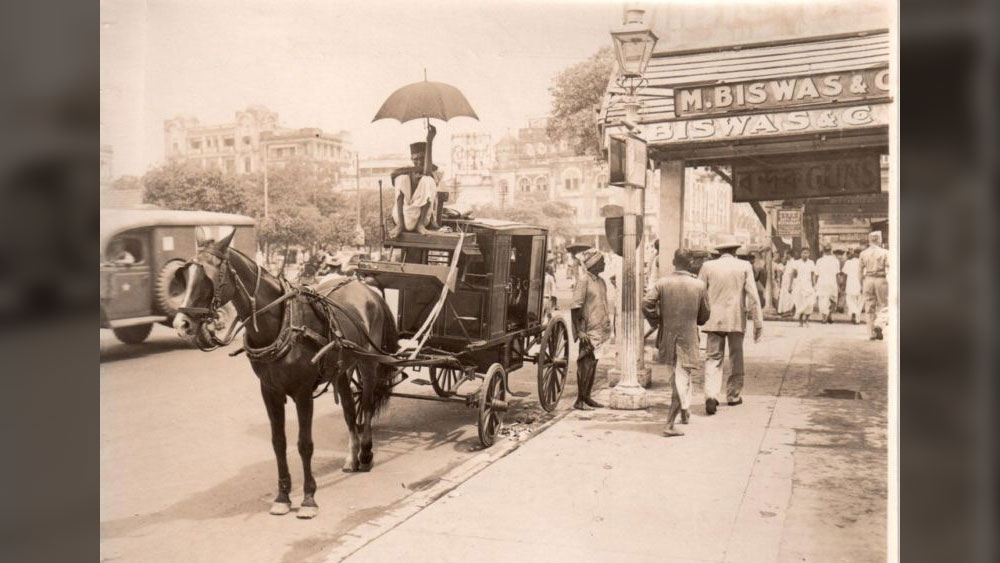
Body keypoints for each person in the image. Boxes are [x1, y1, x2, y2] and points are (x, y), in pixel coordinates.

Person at [643, 249, 710, 436]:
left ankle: (684, 410)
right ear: (690, 263)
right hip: (687, 339)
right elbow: (705, 315)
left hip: (667, 337)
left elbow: (646, 304)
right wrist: (691, 319)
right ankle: (669, 425)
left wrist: (657, 320)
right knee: (681, 380)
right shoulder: (699, 285)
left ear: (673, 261)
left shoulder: (662, 283)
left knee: (676, 378)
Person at [698, 236, 763, 414]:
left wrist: (699, 318)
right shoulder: (744, 266)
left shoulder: (708, 266)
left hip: (713, 320)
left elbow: (700, 293)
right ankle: (733, 395)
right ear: (735, 250)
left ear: (718, 251)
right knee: (736, 356)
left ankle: (711, 396)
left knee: (713, 358)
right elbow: (753, 296)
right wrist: (758, 322)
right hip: (736, 319)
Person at [570, 248, 611, 410]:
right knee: (585, 364)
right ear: (594, 264)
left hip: (601, 329)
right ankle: (579, 400)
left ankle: (587, 397)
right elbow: (575, 307)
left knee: (593, 364)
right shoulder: (584, 280)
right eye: (602, 262)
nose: (605, 264)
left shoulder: (601, 282)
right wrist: (580, 330)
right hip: (588, 330)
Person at [389, 125, 442, 237]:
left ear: (427, 158)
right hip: (403, 217)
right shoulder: (406, 171)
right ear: (411, 159)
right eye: (415, 159)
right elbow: (393, 174)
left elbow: (427, 172)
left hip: (420, 217)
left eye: (422, 158)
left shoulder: (435, 171)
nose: (419, 162)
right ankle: (400, 225)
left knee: (428, 180)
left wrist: (429, 141)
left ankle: (420, 225)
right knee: (401, 178)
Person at [859, 231, 890, 339]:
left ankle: (871, 334)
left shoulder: (863, 253)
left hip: (868, 279)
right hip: (881, 279)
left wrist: (861, 284)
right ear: (879, 239)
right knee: (884, 305)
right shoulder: (885, 252)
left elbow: (859, 271)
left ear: (870, 240)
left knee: (869, 306)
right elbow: (890, 267)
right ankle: (879, 324)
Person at [789, 248, 817, 326]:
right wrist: (790, 286)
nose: (805, 254)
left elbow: (813, 275)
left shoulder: (811, 263)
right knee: (800, 303)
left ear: (809, 254)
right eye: (804, 253)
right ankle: (801, 321)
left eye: (807, 253)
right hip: (799, 285)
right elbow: (793, 275)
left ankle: (807, 320)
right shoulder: (797, 262)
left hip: (808, 285)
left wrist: (814, 285)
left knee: (810, 303)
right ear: (801, 254)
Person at [814, 244, 841, 324]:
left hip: (822, 282)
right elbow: (837, 274)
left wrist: (815, 284)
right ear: (831, 251)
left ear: (823, 251)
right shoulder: (835, 260)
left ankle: (824, 317)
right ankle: (829, 315)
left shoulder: (819, 261)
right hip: (832, 283)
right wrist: (838, 285)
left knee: (822, 300)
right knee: (833, 300)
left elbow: (816, 274)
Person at [843, 248, 863, 324]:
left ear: (854, 254)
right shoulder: (863, 263)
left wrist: (844, 284)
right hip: (860, 283)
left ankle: (854, 313)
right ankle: (857, 318)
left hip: (850, 283)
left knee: (850, 300)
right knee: (860, 301)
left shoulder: (848, 262)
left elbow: (845, 275)